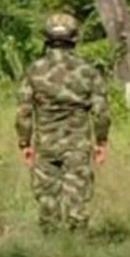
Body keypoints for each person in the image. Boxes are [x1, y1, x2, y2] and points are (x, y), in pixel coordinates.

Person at [15, 13, 110, 233]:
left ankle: (50, 239)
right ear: (74, 37)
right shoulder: (88, 72)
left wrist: (24, 143)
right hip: (77, 143)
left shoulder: (34, 70)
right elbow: (101, 112)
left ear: (46, 38)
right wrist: (101, 142)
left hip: (46, 143)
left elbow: (23, 112)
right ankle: (76, 241)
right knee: (78, 194)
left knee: (47, 196)